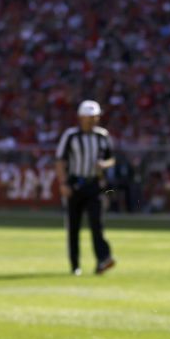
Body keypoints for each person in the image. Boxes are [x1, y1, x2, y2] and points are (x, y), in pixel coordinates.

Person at [54, 100, 115, 276]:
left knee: (97, 224)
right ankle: (75, 265)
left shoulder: (102, 135)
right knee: (73, 226)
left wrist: (104, 164)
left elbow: (112, 158)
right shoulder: (71, 136)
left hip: (95, 184)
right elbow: (60, 160)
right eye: (89, 117)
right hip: (75, 183)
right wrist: (63, 183)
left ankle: (103, 260)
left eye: (95, 117)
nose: (93, 120)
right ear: (81, 118)